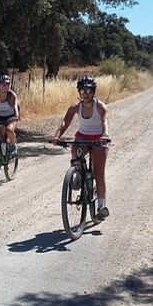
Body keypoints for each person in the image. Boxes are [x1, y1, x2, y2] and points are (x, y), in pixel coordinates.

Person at [51, 76, 110, 220]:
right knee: (75, 150)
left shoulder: (100, 106)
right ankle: (77, 173)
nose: (85, 93)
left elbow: (104, 122)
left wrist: (105, 135)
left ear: (93, 91)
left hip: (98, 138)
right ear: (79, 92)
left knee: (99, 172)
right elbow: (65, 122)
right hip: (83, 136)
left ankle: (101, 206)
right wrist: (57, 136)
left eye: (88, 90)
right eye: (82, 90)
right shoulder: (75, 107)